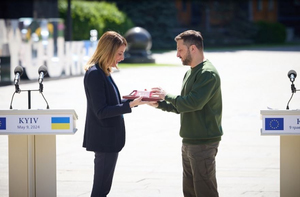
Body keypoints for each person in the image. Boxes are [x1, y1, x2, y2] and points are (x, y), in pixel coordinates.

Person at [149, 30, 223, 197]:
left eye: (180, 50)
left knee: (205, 191)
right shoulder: (190, 72)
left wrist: (166, 95)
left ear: (193, 49)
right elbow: (183, 105)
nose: (177, 54)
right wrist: (159, 104)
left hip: (203, 143)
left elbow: (193, 103)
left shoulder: (207, 73)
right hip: (189, 141)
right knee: (190, 191)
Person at [83, 31, 151, 197]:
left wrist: (130, 102)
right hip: (104, 141)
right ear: (108, 51)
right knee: (100, 190)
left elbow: (109, 104)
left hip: (109, 140)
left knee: (103, 188)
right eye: (119, 53)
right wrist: (129, 106)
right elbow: (101, 111)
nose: (122, 57)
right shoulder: (95, 74)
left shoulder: (103, 72)